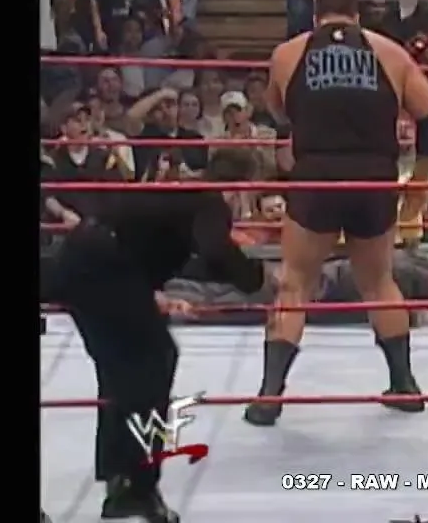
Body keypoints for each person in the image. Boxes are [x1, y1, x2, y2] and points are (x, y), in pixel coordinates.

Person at [243, 0, 428, 426]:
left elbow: (278, 112)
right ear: (357, 16)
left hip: (317, 173)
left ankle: (269, 396)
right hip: (373, 176)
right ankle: (404, 384)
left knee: (295, 283)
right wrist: (420, 180)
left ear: (316, 17)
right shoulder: (390, 54)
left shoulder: (288, 53)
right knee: (378, 283)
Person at [45, 149, 265, 523]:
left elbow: (138, 238)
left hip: (81, 261)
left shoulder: (178, 191)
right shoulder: (209, 200)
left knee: (119, 374)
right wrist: (255, 278)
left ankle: (121, 481)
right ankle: (139, 487)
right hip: (107, 269)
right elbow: (215, 249)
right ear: (241, 184)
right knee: (155, 364)